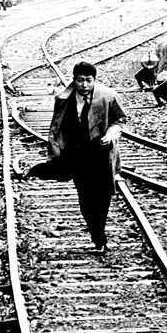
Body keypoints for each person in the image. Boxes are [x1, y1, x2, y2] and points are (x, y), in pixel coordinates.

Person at [32, 61, 127, 253]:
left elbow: (120, 120)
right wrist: (57, 149)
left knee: (102, 197)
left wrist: (111, 134)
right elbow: (57, 125)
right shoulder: (64, 98)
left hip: (101, 154)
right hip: (77, 156)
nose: (84, 85)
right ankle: (96, 234)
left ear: (95, 80)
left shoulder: (108, 96)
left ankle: (99, 237)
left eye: (88, 80)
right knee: (85, 198)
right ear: (74, 80)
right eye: (80, 80)